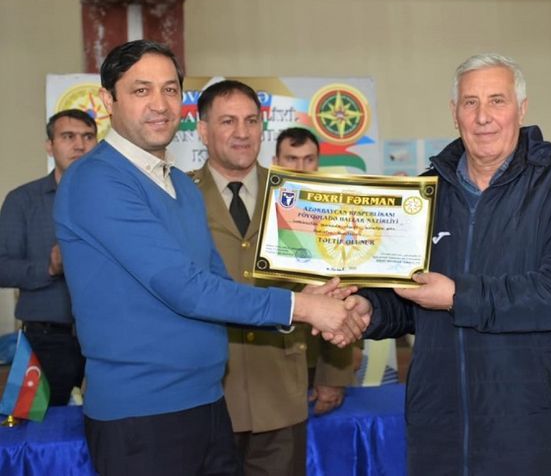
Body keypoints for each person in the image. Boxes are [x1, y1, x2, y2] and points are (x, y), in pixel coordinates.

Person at [53, 40, 364, 476]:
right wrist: (304, 307)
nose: (160, 104)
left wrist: (310, 299)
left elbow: (220, 285)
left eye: (170, 89)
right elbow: (184, 288)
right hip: (142, 414)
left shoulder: (180, 185)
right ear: (109, 100)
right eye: (141, 90)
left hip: (208, 401)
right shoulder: (97, 180)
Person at [344, 53, 551, 475]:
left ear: (522, 109)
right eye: (471, 102)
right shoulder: (423, 193)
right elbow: (410, 296)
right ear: (455, 113)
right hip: (440, 427)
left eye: (497, 101)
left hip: (533, 429)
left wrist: (457, 296)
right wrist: (369, 309)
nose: (483, 116)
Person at [190, 86, 354, 475]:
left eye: (251, 121)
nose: (242, 132)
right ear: (203, 131)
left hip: (280, 388)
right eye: (228, 121)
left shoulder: (299, 195)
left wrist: (334, 372)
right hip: (207, 390)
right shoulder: (178, 196)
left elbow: (334, 285)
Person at [0, 109, 97, 406]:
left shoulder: (113, 199)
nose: (79, 145)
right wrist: (50, 267)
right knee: (38, 426)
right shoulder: (22, 200)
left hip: (106, 336)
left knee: (108, 427)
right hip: (45, 340)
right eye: (68, 137)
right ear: (50, 145)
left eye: (88, 137)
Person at [272, 127, 355, 416]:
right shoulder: (259, 211)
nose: (301, 168)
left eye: (308, 159)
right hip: (265, 359)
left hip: (316, 356)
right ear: (275, 162)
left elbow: (345, 295)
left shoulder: (335, 214)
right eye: (291, 159)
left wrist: (334, 375)